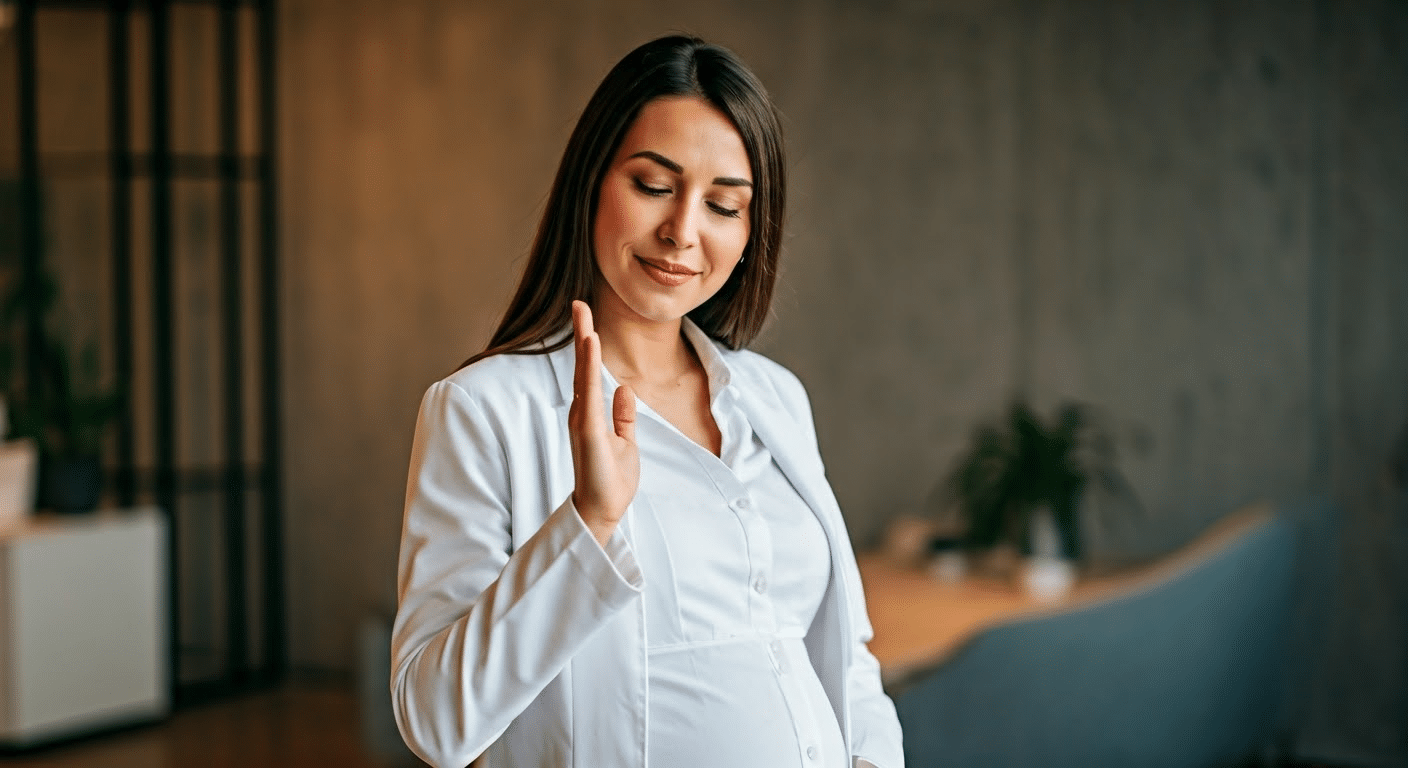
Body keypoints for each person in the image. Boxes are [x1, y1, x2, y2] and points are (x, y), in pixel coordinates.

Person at [391, 34, 904, 768]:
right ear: (592, 182)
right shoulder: (483, 410)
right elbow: (435, 720)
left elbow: (846, 656)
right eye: (655, 186)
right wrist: (587, 523)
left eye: (724, 204)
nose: (683, 231)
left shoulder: (775, 398)